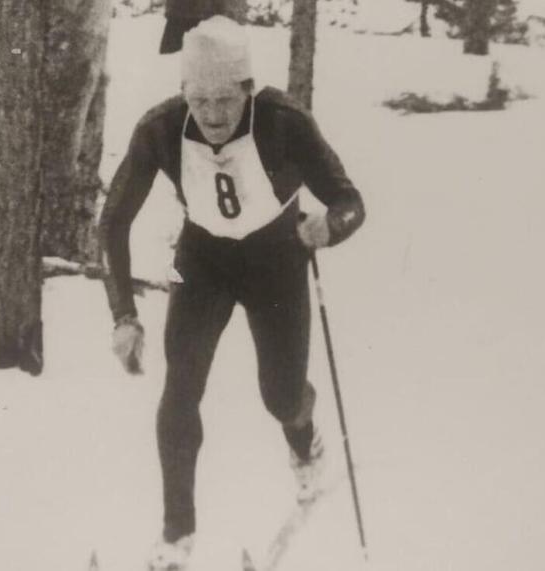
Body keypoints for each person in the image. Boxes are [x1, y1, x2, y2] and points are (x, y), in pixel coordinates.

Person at [98, 16, 365, 571]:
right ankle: (177, 535)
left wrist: (330, 227)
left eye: (226, 100)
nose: (214, 115)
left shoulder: (284, 121)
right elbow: (113, 221)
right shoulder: (161, 129)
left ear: (249, 89)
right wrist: (123, 315)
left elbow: (349, 199)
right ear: (183, 93)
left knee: (281, 395)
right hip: (205, 261)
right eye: (200, 100)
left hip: (276, 262)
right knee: (179, 392)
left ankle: (303, 440)